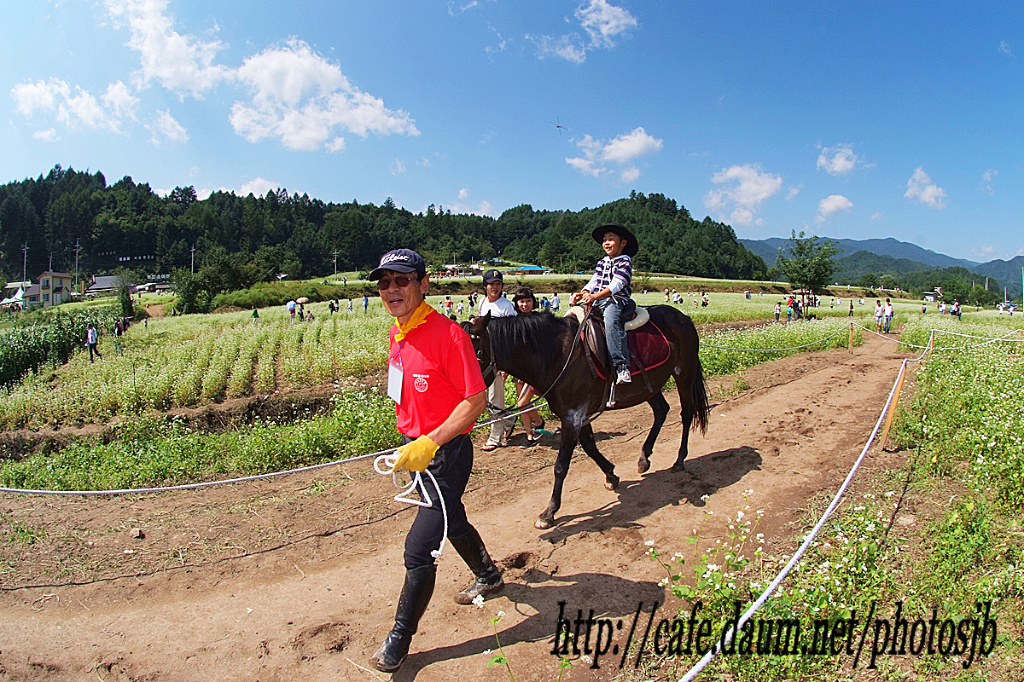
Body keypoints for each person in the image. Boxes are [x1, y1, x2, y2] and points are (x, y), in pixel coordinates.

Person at [368, 249, 503, 672]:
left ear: (423, 284)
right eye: (385, 281)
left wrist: (430, 441)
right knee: (451, 518)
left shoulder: (449, 336)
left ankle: (400, 639)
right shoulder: (398, 332)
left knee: (419, 547)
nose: (392, 289)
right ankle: (489, 573)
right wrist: (409, 439)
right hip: (416, 449)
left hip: (446, 455)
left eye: (401, 280)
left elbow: (475, 399)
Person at [572, 222, 636, 385]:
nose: (606, 242)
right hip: (598, 299)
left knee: (611, 322)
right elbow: (595, 280)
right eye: (604, 240)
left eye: (611, 239)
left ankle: (621, 366)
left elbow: (617, 284)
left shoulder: (625, 261)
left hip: (614, 300)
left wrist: (595, 296)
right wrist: (585, 292)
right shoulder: (602, 262)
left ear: (623, 243)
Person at [476, 269, 516, 450]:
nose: (495, 287)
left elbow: (512, 337)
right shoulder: (482, 302)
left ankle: (495, 437)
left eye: (498, 284)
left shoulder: (507, 306)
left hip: (499, 360)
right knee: (483, 397)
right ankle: (509, 420)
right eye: (492, 284)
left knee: (495, 396)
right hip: (485, 358)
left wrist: (507, 364)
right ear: (485, 286)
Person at [511, 288, 545, 447]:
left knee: (522, 402)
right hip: (519, 368)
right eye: (521, 301)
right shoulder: (513, 321)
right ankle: (529, 435)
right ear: (517, 303)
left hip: (535, 369)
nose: (525, 304)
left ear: (533, 302)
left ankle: (538, 423)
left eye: (528, 301)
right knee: (522, 404)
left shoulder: (540, 320)